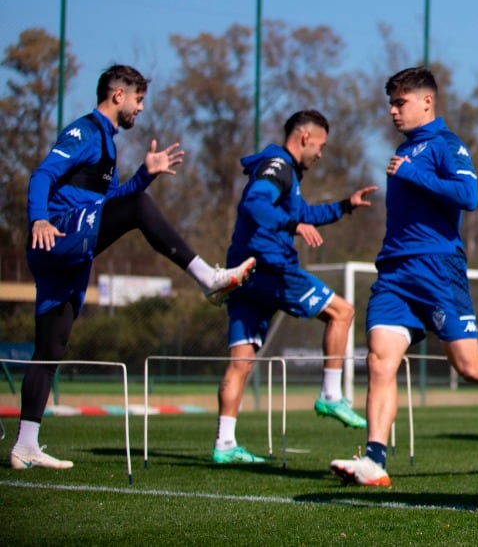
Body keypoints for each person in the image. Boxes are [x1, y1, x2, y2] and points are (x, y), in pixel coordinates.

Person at [331, 67, 478, 487]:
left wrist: (412, 174)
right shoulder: (406, 150)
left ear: (427, 102)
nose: (392, 111)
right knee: (380, 361)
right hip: (394, 272)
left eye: (399, 102)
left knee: (469, 366)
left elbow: (468, 196)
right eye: (390, 103)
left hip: (439, 270)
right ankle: (375, 459)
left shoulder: (446, 145)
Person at [11, 64, 255, 470]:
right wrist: (39, 218)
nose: (141, 109)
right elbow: (42, 174)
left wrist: (145, 175)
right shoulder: (85, 131)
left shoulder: (109, 144)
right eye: (139, 100)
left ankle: (25, 445)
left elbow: (113, 203)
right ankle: (207, 278)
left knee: (50, 348)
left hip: (71, 253)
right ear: (118, 95)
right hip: (56, 236)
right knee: (139, 209)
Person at [212, 109, 378, 464]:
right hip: (270, 266)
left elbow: (303, 215)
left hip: (242, 273)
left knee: (240, 361)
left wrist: (344, 207)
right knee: (342, 312)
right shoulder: (279, 166)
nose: (321, 154)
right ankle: (331, 395)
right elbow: (256, 204)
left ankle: (224, 444)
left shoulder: (285, 173)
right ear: (305, 137)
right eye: (320, 145)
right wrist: (291, 226)